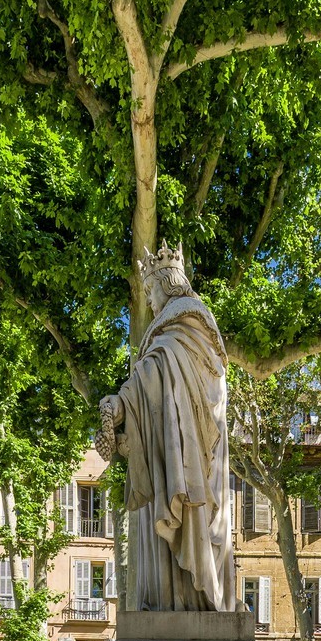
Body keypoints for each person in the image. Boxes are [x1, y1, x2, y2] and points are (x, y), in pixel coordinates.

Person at [96, 241, 235, 612]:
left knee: (187, 516)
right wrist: (125, 404)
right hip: (168, 451)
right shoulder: (179, 333)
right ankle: (172, 600)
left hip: (189, 457)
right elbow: (156, 379)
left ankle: (186, 601)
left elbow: (160, 373)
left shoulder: (184, 327)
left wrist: (122, 402)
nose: (149, 300)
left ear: (167, 283)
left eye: (150, 290)